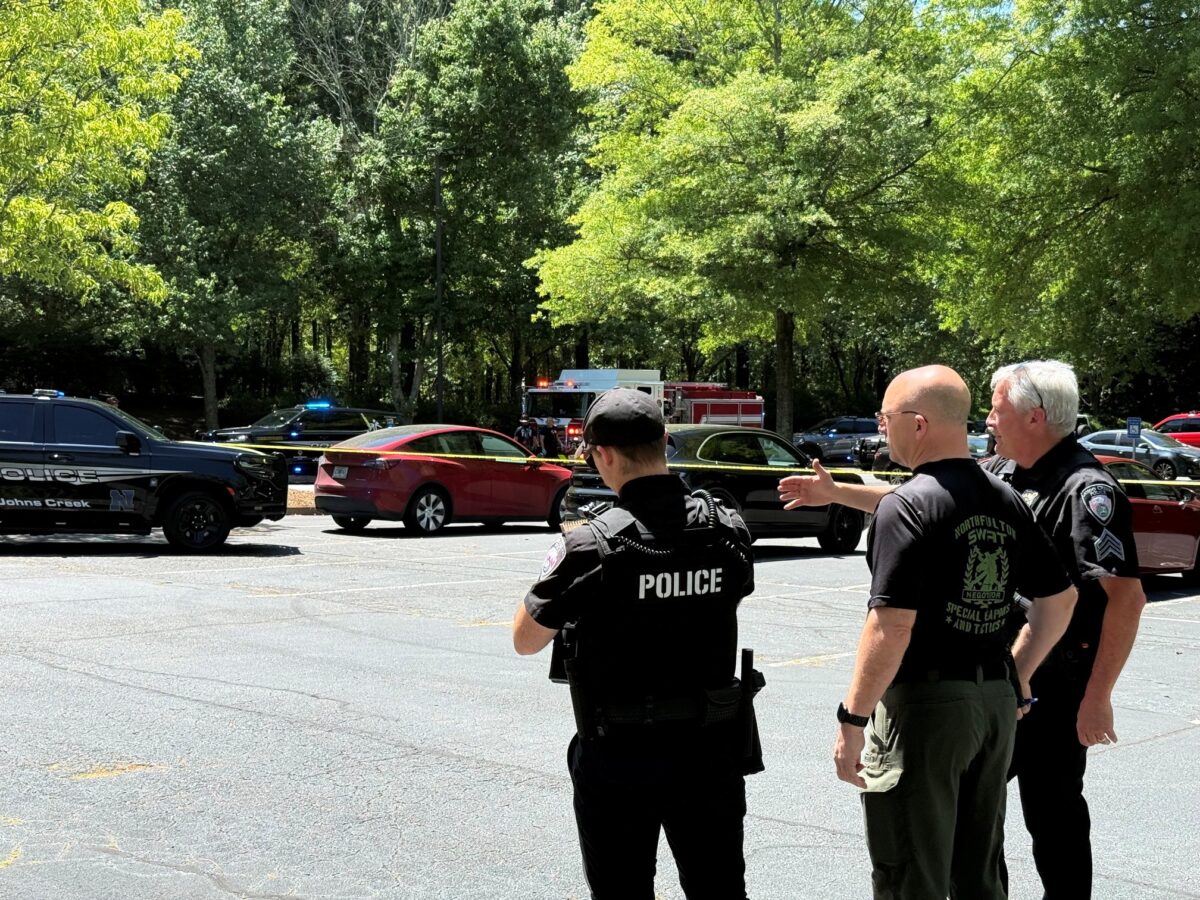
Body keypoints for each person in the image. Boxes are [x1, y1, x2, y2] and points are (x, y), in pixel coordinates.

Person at [779, 365, 1078, 899]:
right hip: (992, 706)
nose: (881, 427)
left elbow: (891, 627)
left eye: (886, 417)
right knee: (977, 874)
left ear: (917, 425)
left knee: (910, 873)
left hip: (926, 709)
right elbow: (1060, 600)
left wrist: (852, 718)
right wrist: (1017, 674)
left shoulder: (909, 505)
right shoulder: (1002, 496)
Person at [512, 388, 761, 900]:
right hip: (709, 749)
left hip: (621, 756)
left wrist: (559, 561)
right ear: (665, 442)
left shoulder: (590, 545)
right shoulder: (726, 529)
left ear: (601, 455)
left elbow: (525, 639)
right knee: (719, 890)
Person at [983, 361, 1146, 898]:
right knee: (972, 809)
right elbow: (927, 501)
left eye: (997, 408)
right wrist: (839, 495)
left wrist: (1097, 697)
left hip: (1053, 689)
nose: (988, 419)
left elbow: (1126, 598)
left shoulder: (1085, 490)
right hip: (999, 677)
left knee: (1052, 818)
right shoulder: (1005, 473)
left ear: (1034, 417)